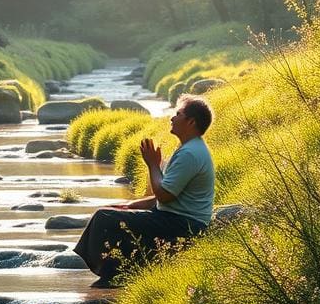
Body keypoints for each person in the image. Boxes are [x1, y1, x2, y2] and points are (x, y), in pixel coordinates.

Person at [73, 95, 215, 288]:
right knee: (113, 212)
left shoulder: (190, 153)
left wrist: (153, 165)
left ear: (191, 122)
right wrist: (131, 205)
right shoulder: (190, 148)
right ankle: (120, 271)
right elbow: (167, 196)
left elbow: (165, 194)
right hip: (173, 217)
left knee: (103, 217)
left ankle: (117, 273)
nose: (172, 118)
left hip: (183, 224)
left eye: (178, 114)